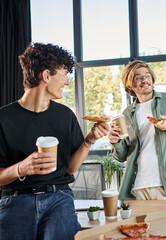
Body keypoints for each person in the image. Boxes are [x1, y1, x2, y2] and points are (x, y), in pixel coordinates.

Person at [0, 43, 109, 240]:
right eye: (65, 73)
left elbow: (70, 169)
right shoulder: (3, 118)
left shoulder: (65, 115)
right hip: (15, 202)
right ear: (46, 76)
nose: (68, 81)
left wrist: (89, 140)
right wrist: (21, 168)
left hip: (58, 199)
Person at [109, 60, 166, 200]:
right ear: (129, 83)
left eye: (147, 75)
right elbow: (122, 156)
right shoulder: (127, 113)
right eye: (138, 77)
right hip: (138, 187)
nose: (145, 80)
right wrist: (115, 141)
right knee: (139, 223)